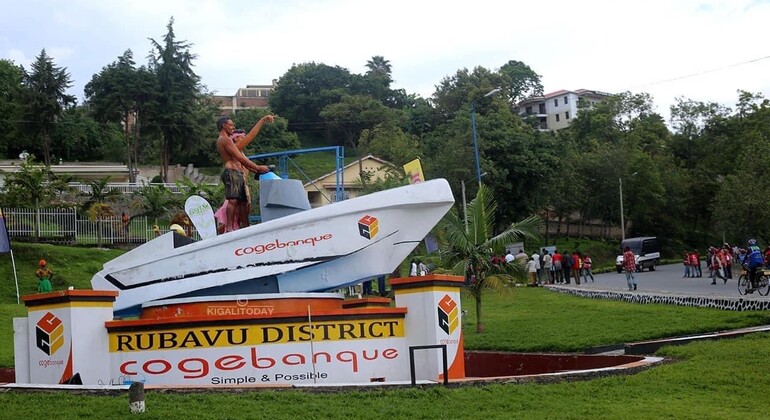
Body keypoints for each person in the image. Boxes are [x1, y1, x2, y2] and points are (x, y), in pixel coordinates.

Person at [216, 115, 274, 233]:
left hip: (238, 175)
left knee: (243, 203)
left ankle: (245, 227)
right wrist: (258, 167)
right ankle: (230, 227)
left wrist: (257, 170)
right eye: (231, 125)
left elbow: (245, 162)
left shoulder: (232, 144)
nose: (233, 127)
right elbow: (249, 139)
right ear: (224, 126)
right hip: (232, 173)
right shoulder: (226, 140)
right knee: (233, 200)